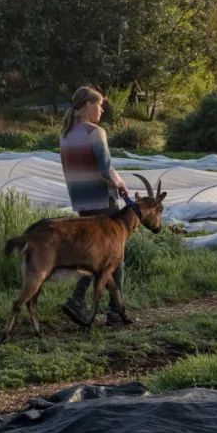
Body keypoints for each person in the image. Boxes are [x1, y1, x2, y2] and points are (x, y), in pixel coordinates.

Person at [58, 86, 130, 328]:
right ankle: (114, 313)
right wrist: (121, 184)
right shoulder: (96, 132)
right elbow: (105, 170)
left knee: (92, 256)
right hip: (102, 202)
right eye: (99, 105)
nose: (102, 109)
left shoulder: (65, 134)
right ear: (87, 105)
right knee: (115, 256)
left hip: (81, 204)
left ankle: (77, 300)